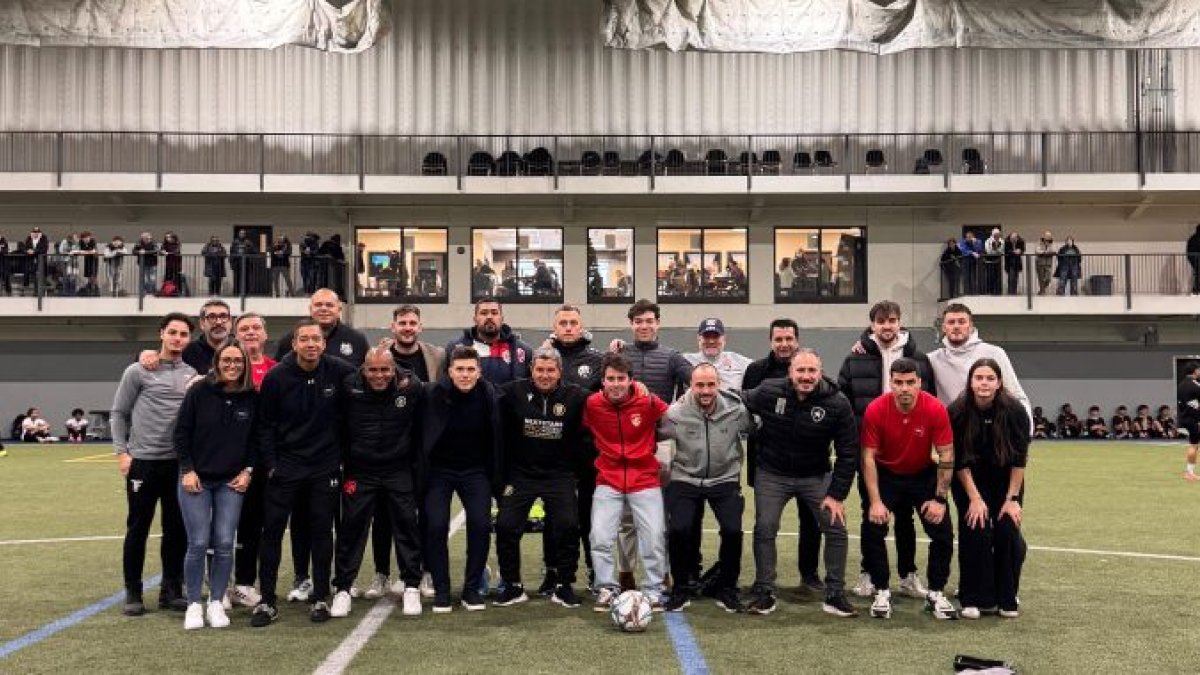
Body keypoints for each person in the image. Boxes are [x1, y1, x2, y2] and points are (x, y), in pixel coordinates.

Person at [251, 319, 357, 627]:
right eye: (304, 339)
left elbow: (368, 386)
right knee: (271, 532)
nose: (311, 344)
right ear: (294, 344)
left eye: (316, 339)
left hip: (324, 467)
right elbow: (265, 426)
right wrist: (272, 465)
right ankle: (267, 600)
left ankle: (321, 596)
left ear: (324, 344)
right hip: (285, 467)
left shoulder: (338, 371)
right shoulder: (276, 377)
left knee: (322, 533)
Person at [741, 349, 858, 618]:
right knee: (765, 527)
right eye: (800, 371)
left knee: (836, 527)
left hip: (815, 476)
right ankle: (764, 591)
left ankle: (835, 593)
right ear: (790, 372)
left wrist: (836, 494)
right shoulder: (769, 391)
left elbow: (848, 452)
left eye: (812, 371)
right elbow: (739, 400)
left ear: (820, 372)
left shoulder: (837, 403)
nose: (806, 376)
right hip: (772, 473)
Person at [837, 301, 935, 601]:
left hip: (908, 451)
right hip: (869, 451)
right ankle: (869, 574)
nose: (887, 326)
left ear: (900, 322)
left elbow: (929, 400)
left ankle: (907, 575)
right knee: (872, 513)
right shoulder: (855, 358)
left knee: (906, 517)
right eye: (881, 321)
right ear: (872, 325)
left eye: (892, 320)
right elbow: (843, 404)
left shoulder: (917, 358)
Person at [111, 312, 197, 616]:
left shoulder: (192, 374)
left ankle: (171, 590)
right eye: (172, 332)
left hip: (177, 465)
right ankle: (133, 591)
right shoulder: (138, 370)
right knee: (138, 527)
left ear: (189, 339)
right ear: (161, 334)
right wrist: (122, 452)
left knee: (176, 530)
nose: (177, 338)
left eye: (183, 334)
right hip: (144, 463)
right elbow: (119, 413)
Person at [859, 358, 959, 620]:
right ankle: (881, 589)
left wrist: (939, 498)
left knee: (943, 530)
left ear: (919, 383)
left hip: (921, 473)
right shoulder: (876, 409)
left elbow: (946, 454)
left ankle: (936, 592)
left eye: (910, 383)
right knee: (872, 526)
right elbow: (868, 457)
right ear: (890, 383)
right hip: (886, 473)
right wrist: (876, 501)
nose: (904, 388)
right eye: (898, 382)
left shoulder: (935, 408)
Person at [329, 348, 425, 619]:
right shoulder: (349, 387)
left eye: (385, 370)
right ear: (363, 369)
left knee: (407, 525)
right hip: (360, 470)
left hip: (398, 468)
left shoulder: (411, 386)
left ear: (394, 370)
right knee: (351, 528)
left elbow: (419, 427)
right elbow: (338, 424)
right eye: (373, 370)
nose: (379, 375)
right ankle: (343, 589)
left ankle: (411, 587)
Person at [493, 347, 589, 609]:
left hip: (559, 476)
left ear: (559, 372)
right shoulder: (511, 392)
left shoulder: (576, 396)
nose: (545, 375)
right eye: (540, 370)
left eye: (550, 370)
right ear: (531, 370)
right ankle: (512, 585)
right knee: (505, 526)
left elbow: (606, 400)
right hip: (521, 474)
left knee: (568, 525)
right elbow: (483, 398)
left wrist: (638, 388)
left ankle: (564, 585)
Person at [173, 340, 257, 630]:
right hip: (196, 478)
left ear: (245, 364)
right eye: (227, 360)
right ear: (217, 362)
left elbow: (256, 441)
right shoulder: (199, 391)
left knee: (224, 543)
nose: (232, 365)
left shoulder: (252, 397)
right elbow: (181, 433)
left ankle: (216, 602)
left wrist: (248, 471)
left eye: (238, 361)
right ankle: (194, 604)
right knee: (197, 542)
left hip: (231, 481)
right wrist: (187, 469)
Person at [659, 364, 756, 613]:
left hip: (724, 478)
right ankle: (680, 587)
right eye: (699, 385)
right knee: (679, 529)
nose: (705, 390)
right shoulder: (675, 412)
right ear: (690, 385)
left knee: (733, 531)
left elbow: (755, 428)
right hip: (685, 478)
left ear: (719, 384)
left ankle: (727, 588)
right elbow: (656, 437)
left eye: (711, 384)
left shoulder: (736, 410)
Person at [740, 318, 822, 595]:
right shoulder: (755, 371)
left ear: (796, 340)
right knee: (765, 522)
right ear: (771, 341)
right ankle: (764, 580)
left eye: (789, 339)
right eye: (779, 339)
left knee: (811, 521)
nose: (784, 344)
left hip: (809, 464)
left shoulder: (808, 371)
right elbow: (745, 407)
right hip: (768, 461)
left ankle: (809, 576)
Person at [420, 346, 504, 613]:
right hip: (439, 472)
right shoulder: (431, 394)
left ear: (479, 372)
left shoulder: (491, 395)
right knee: (435, 526)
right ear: (449, 372)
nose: (465, 375)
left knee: (480, 525)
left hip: (475, 471)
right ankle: (442, 590)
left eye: (470, 369)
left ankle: (471, 589)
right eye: (460, 370)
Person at [584, 353, 671, 612]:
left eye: (621, 378)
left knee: (653, 536)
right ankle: (606, 589)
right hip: (608, 478)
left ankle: (654, 590)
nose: (616, 384)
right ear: (602, 381)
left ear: (631, 380)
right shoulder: (592, 404)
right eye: (610, 379)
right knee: (599, 536)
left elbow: (674, 416)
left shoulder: (647, 401)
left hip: (644, 478)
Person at [948, 358, 1030, 619]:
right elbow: (958, 460)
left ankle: (1007, 596)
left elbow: (1019, 458)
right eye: (979, 378)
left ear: (999, 383)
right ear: (971, 382)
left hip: (1007, 482)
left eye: (989, 378)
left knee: (1007, 530)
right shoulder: (958, 411)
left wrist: (1013, 498)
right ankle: (972, 596)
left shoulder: (1015, 411)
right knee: (977, 528)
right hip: (969, 480)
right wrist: (974, 498)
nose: (984, 383)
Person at [540, 304, 604, 593]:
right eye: (562, 322)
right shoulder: (543, 359)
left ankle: (595, 572)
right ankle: (553, 572)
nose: (568, 327)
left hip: (589, 453)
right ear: (554, 327)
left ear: (581, 327)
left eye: (573, 322)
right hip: (552, 452)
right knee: (555, 517)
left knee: (591, 515)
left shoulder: (596, 360)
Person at [227, 313, 277, 609]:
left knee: (252, 525)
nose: (250, 333)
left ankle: (245, 583)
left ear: (265, 334)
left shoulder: (277, 370)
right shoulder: (226, 368)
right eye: (243, 329)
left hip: (262, 463)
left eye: (255, 328)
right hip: (225, 460)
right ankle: (219, 586)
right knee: (219, 527)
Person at [927, 304, 1031, 424]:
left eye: (961, 322)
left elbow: (1016, 395)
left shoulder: (994, 353)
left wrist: (1025, 431)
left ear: (971, 326)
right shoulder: (932, 359)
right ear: (944, 328)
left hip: (991, 429)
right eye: (951, 322)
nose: (956, 326)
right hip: (954, 431)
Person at [445, 299, 533, 386]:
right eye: (484, 313)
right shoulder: (455, 348)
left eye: (494, 313)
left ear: (501, 319)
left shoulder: (523, 350)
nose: (489, 317)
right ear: (475, 319)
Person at [275, 288, 370, 367]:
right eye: (318, 305)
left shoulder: (357, 340)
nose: (324, 309)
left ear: (339, 309)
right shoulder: (291, 339)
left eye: (329, 305)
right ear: (310, 309)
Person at [683, 318, 753, 391]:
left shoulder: (739, 362)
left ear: (724, 338)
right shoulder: (685, 360)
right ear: (698, 338)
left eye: (716, 336)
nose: (711, 341)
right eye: (707, 336)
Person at [384, 304, 446, 385]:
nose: (408, 328)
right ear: (393, 327)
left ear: (420, 327)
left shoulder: (437, 356)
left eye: (412, 323)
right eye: (402, 323)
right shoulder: (379, 355)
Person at [1178, 362, 1200, 480]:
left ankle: (1189, 472)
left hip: (1184, 417)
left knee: (1194, 445)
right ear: (1195, 371)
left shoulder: (1181, 385)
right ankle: (1189, 473)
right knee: (1194, 445)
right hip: (1193, 419)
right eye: (1199, 370)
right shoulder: (1195, 385)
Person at [229, 229, 256, 297]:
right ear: (239, 234)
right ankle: (236, 293)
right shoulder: (235, 242)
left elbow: (254, 251)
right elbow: (231, 252)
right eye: (241, 233)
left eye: (243, 233)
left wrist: (247, 249)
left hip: (246, 263)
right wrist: (231, 263)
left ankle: (246, 293)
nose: (242, 235)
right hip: (237, 263)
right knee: (236, 279)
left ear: (245, 234)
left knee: (246, 279)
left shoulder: (249, 242)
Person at [132, 232, 158, 296]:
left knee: (152, 278)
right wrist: (139, 252)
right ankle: (144, 292)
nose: (146, 238)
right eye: (144, 237)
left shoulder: (153, 243)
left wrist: (145, 252)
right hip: (143, 263)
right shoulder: (139, 244)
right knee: (144, 279)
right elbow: (134, 251)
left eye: (147, 237)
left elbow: (156, 250)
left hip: (152, 263)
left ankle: (151, 292)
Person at [982, 228, 1004, 296]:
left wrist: (996, 249)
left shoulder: (1002, 241)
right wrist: (996, 249)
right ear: (993, 234)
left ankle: (997, 291)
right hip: (989, 260)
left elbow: (1001, 251)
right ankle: (989, 291)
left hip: (997, 260)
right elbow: (988, 251)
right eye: (996, 234)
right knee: (989, 276)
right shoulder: (988, 241)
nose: (997, 236)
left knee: (997, 277)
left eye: (998, 234)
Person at [1034, 231, 1055, 295]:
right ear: (1044, 236)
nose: (1048, 237)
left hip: (1048, 263)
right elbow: (1037, 251)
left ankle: (1041, 290)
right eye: (1046, 236)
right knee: (1041, 278)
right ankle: (1042, 292)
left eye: (1049, 236)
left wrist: (1046, 251)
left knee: (1048, 279)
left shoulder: (1052, 242)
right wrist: (1045, 252)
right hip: (1040, 262)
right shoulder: (1040, 242)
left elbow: (1054, 250)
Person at [1187, 224, 1200, 296]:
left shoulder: (1192, 238)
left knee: (1198, 274)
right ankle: (1196, 290)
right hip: (1196, 259)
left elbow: (1188, 251)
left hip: (1194, 260)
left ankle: (1196, 290)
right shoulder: (1194, 238)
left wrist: (1192, 261)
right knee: (1198, 275)